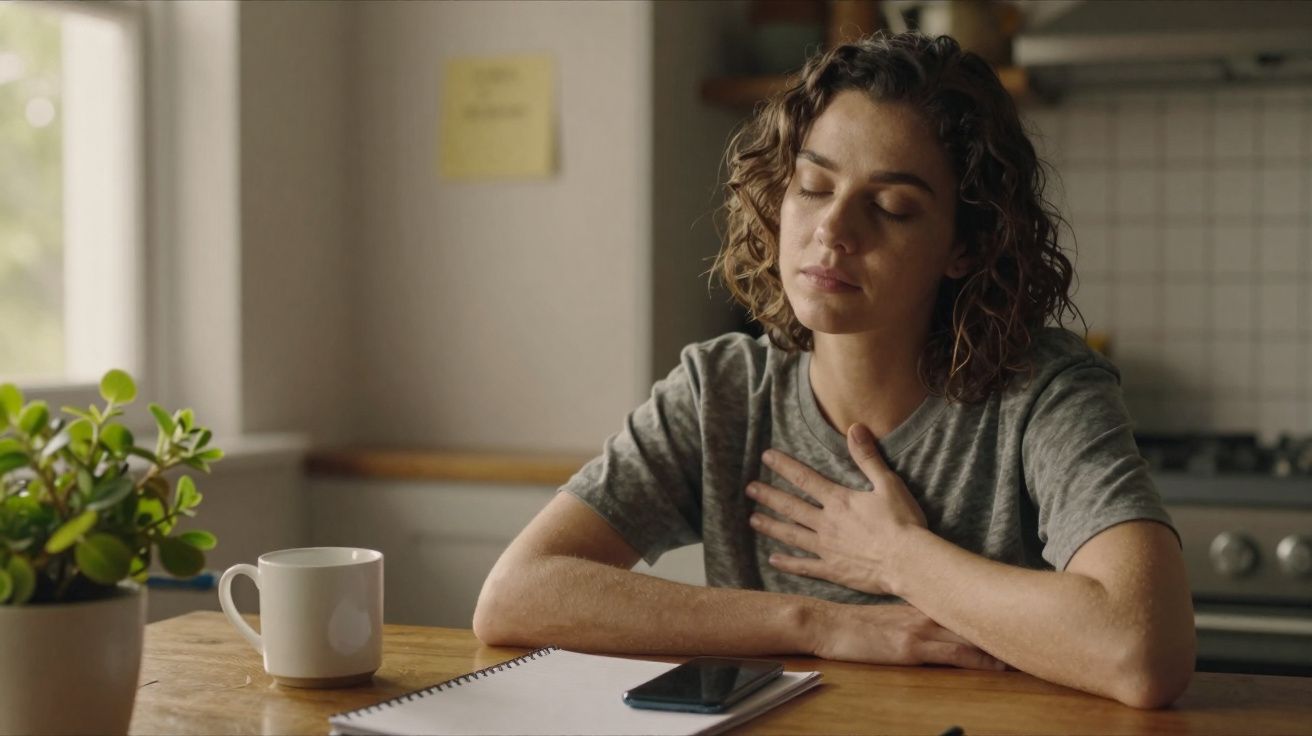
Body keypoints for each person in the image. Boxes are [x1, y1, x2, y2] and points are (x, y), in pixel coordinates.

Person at [473, 32, 1195, 709]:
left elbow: (1141, 648)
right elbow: (516, 597)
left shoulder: (1043, 390)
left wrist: (898, 557)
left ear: (966, 246)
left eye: (890, 206)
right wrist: (816, 624)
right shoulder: (720, 391)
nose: (833, 232)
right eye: (814, 187)